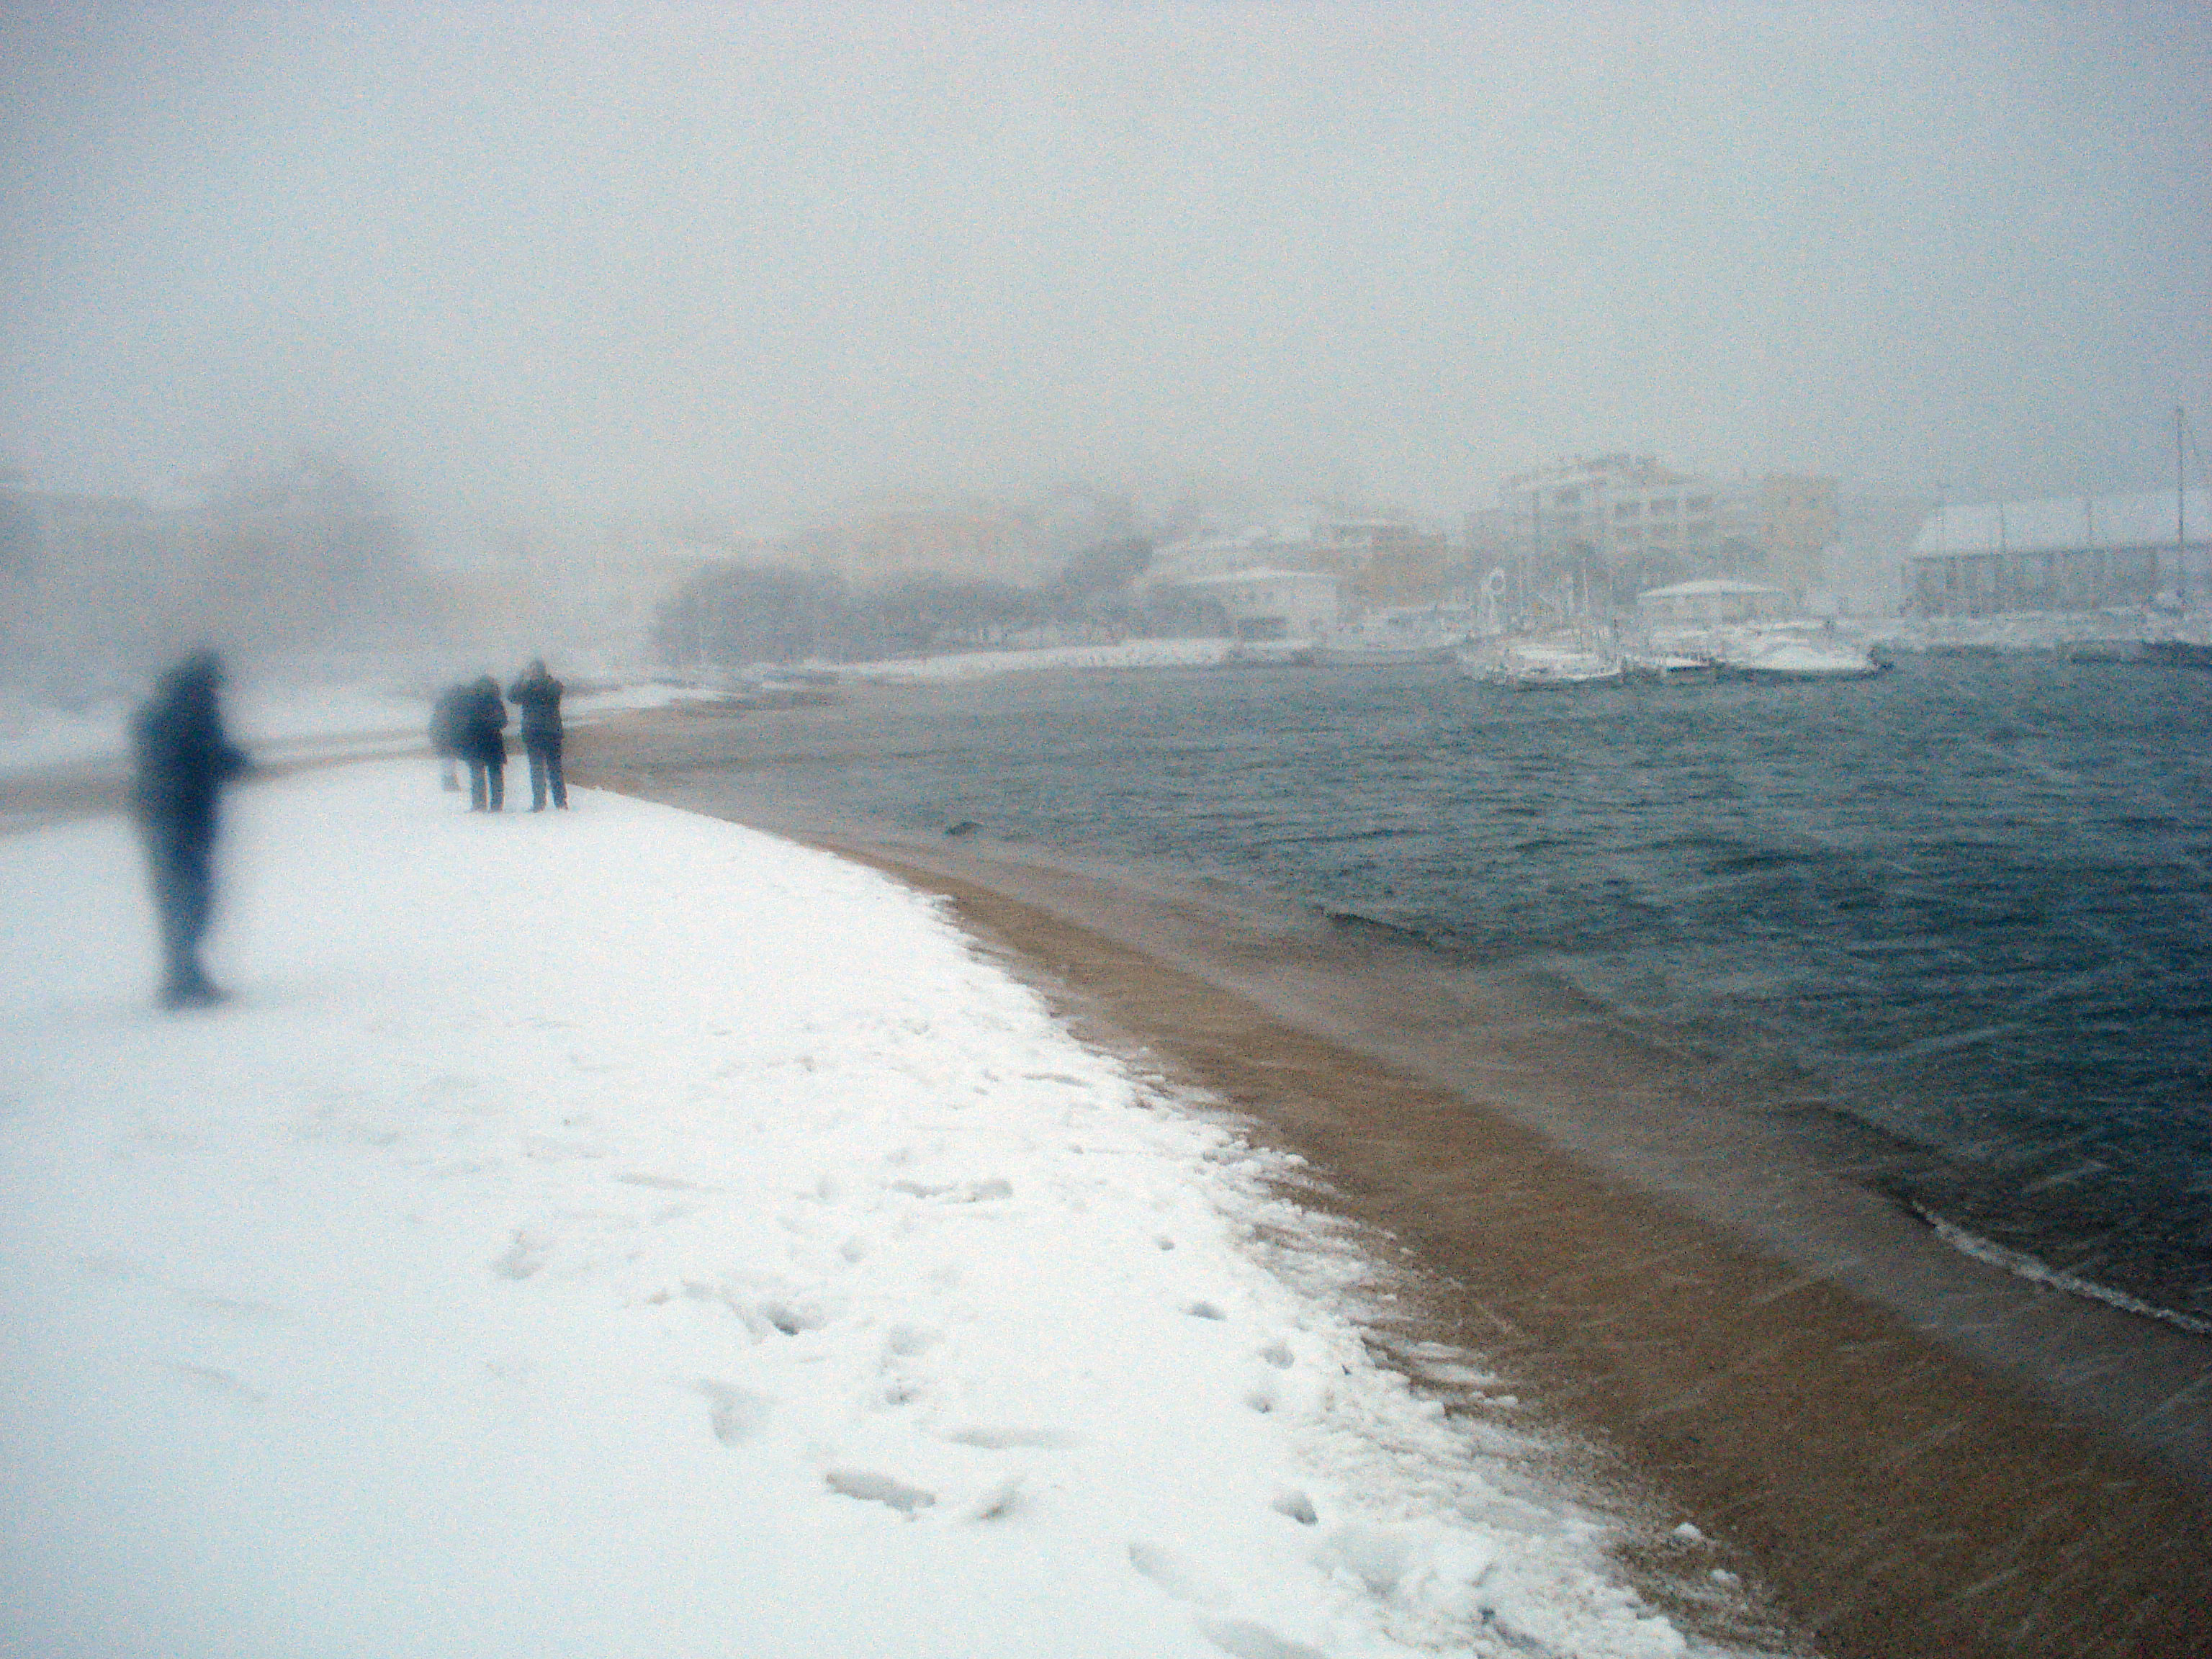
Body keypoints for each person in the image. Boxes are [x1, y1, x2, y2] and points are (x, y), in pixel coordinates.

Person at [130, 651, 251, 1008]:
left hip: (159, 817)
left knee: (176, 900)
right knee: (192, 901)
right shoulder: (194, 714)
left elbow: (165, 761)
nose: (219, 693)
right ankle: (183, 981)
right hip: (186, 819)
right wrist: (236, 763)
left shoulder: (156, 712)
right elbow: (203, 760)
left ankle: (183, 976)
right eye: (215, 686)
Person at [506, 658, 567, 810]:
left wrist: (521, 680)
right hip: (549, 732)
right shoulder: (552, 685)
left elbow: (513, 697)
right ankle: (558, 802)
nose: (533, 673)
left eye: (534, 670)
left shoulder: (530, 688)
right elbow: (513, 697)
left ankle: (542, 802)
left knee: (540, 769)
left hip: (536, 732)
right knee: (551, 768)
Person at [460, 675, 509, 811]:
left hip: (476, 742)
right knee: (495, 775)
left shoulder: (471, 702)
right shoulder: (496, 702)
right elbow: (503, 722)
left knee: (478, 775)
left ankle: (479, 804)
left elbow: (465, 722)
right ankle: (496, 805)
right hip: (494, 741)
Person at [430, 681, 469, 792]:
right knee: (449, 760)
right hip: (449, 736)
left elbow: (436, 722)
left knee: (447, 761)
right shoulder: (456, 706)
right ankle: (450, 782)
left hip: (442, 736)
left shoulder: (442, 705)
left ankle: (449, 781)